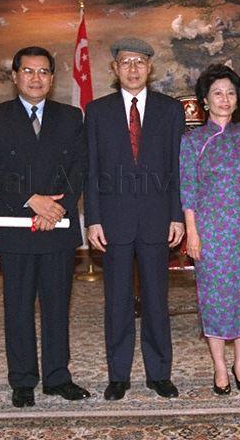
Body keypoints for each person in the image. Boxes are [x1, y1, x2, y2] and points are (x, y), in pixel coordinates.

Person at [0, 46, 89, 407]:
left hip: (58, 226)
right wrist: (32, 200)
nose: (36, 78)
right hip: (16, 225)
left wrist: (54, 209)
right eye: (28, 71)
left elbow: (80, 168)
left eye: (43, 72)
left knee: (58, 307)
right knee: (19, 307)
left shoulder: (71, 117)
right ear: (14, 76)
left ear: (52, 79)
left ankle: (58, 377)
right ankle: (23, 380)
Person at [85, 37, 185, 401]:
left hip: (159, 220)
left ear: (150, 68)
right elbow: (91, 170)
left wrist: (177, 216)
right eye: (125, 62)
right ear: (114, 68)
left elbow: (178, 168)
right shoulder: (96, 112)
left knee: (157, 300)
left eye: (139, 62)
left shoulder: (170, 110)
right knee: (118, 301)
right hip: (113, 222)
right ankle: (119, 375)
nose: (132, 68)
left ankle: (160, 373)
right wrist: (92, 219)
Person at [180, 64, 240, 395]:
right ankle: (220, 367)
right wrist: (192, 232)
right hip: (210, 231)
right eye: (217, 93)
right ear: (205, 101)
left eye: (230, 93)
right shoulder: (193, 142)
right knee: (216, 299)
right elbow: (188, 191)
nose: (224, 99)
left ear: (238, 100)